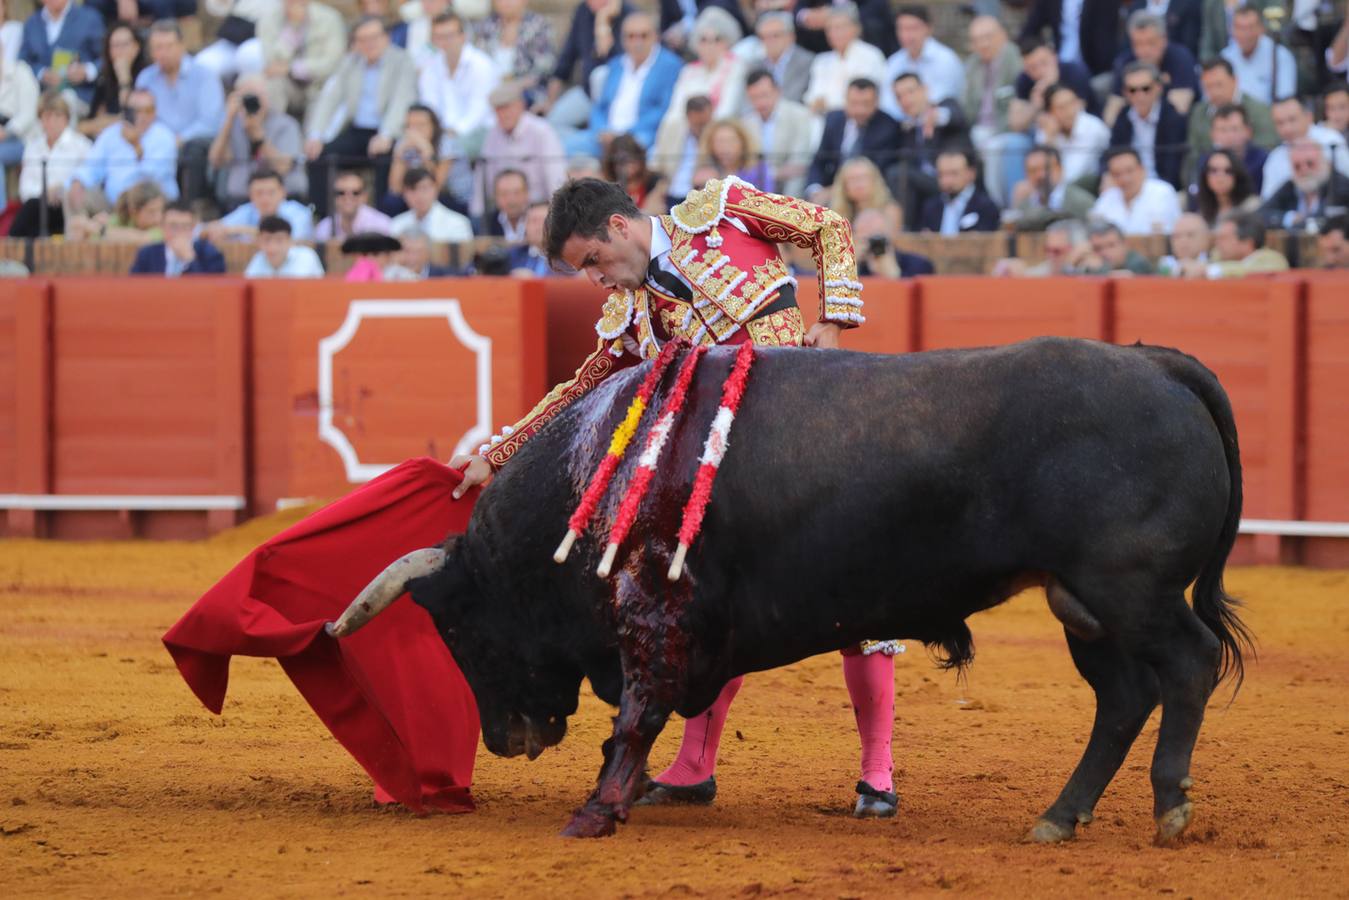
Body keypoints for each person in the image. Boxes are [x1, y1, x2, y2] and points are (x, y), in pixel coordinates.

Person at [450, 176, 901, 819]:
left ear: (619, 228)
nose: (595, 281)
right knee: (708, 612)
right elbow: (580, 390)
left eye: (593, 262)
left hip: (809, 445)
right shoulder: (627, 315)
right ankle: (694, 766)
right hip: (728, 484)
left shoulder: (722, 212)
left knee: (859, 601)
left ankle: (877, 774)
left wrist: (830, 322)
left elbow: (827, 225)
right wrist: (494, 456)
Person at [304, 16, 418, 219]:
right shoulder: (350, 62)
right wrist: (315, 135)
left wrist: (386, 134)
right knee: (321, 158)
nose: (369, 44)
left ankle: (382, 220)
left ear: (387, 37)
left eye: (374, 37)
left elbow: (402, 101)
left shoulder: (402, 61)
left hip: (388, 131)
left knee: (386, 161)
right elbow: (330, 98)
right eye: (363, 39)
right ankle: (323, 217)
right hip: (357, 129)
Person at [134, 19, 224, 203]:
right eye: (158, 47)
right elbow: (139, 115)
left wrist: (179, 139)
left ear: (182, 45)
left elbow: (211, 123)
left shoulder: (204, 75)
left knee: (193, 150)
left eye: (169, 46)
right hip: (156, 143)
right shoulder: (145, 78)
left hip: (193, 143)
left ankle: (188, 206)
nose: (163, 53)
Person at [66, 87, 177, 217]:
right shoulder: (112, 134)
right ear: (127, 112)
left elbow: (152, 179)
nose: (143, 116)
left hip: (151, 204)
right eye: (137, 111)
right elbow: (91, 167)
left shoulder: (164, 137)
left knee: (144, 197)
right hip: (113, 203)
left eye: (149, 110)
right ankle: (77, 236)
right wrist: (78, 181)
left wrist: (136, 146)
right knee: (74, 192)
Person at [208, 73, 306, 212]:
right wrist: (228, 119)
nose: (253, 103)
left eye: (258, 96)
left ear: (267, 97)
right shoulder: (233, 124)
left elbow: (283, 167)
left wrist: (258, 137)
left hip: (283, 201)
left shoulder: (286, 124)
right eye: (248, 97)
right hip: (240, 200)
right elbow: (216, 161)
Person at [473, 81, 566, 220]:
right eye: (498, 109)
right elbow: (483, 178)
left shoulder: (542, 132)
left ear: (520, 105)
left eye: (507, 107)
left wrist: (558, 214)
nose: (503, 114)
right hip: (504, 211)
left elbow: (555, 178)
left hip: (539, 208)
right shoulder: (492, 135)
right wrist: (477, 213)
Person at [417, 11, 499, 168]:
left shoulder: (481, 65)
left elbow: (478, 112)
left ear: (463, 36)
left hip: (479, 132)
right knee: (408, 147)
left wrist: (449, 134)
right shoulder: (431, 67)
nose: (444, 42)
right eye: (439, 37)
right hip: (442, 132)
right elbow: (429, 106)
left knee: (449, 149)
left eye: (449, 36)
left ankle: (449, 190)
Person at [540, 0, 632, 134]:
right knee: (551, 125)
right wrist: (550, 100)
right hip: (588, 93)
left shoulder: (630, 15)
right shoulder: (583, 11)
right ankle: (584, 144)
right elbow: (567, 58)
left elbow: (616, 62)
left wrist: (603, 24)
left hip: (619, 98)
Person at [891, 72, 968, 229]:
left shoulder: (946, 105)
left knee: (899, 173)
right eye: (899, 96)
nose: (906, 100)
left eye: (910, 92)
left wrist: (935, 116)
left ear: (925, 90)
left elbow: (954, 116)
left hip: (952, 180)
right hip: (925, 190)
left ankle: (905, 229)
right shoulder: (907, 129)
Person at [804, 77, 899, 201]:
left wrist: (834, 191)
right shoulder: (833, 120)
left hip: (867, 191)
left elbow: (878, 170)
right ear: (845, 100)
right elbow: (819, 160)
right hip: (830, 189)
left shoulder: (887, 126)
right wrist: (815, 190)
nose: (859, 110)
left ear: (876, 102)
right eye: (854, 103)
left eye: (866, 104)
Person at [961, 16, 1024, 205]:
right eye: (977, 40)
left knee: (993, 148)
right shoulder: (972, 64)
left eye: (987, 37)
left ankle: (996, 205)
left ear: (1002, 35)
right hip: (978, 129)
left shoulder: (1015, 59)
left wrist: (992, 134)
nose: (983, 44)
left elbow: (1017, 105)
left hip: (1006, 129)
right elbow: (966, 107)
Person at [11, 90, 88, 236]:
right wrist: (45, 194)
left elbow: (86, 181)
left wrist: (60, 190)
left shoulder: (81, 146)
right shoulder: (33, 147)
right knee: (32, 210)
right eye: (47, 117)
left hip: (65, 208)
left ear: (66, 118)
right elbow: (25, 188)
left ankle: (8, 247)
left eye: (57, 116)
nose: (51, 122)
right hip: (36, 207)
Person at [256, 0, 346, 120]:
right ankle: (274, 132)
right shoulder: (269, 19)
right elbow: (272, 64)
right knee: (269, 83)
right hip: (288, 85)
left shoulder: (330, 18)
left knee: (330, 89)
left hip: (319, 84)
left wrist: (292, 68)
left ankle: (312, 135)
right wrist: (293, 28)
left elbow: (333, 63)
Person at [1109, 61, 1189, 189]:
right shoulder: (1123, 117)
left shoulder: (1172, 118)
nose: (1139, 95)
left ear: (1158, 87)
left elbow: (1173, 168)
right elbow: (1113, 154)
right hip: (1125, 184)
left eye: (1146, 88)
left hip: (1161, 185)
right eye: (1132, 90)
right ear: (1125, 93)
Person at [661, 6, 747, 125]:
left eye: (717, 39)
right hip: (687, 132)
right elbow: (675, 111)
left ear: (727, 42)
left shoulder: (736, 68)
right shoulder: (688, 71)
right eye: (703, 40)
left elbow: (727, 111)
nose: (709, 46)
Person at [1108, 10, 1199, 118]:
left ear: (1164, 39)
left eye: (1151, 43)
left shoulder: (1180, 58)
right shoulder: (1124, 62)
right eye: (1138, 44)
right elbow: (1112, 112)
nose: (1145, 50)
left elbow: (1180, 108)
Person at [803, 2, 887, 115]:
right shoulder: (821, 60)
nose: (835, 33)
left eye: (840, 27)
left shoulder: (870, 55)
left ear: (857, 29)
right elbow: (811, 96)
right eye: (830, 29)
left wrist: (826, 103)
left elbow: (862, 97)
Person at [1186, 58, 1277, 161]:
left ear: (1235, 80)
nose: (1215, 92)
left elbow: (1267, 150)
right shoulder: (1199, 113)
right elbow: (1192, 156)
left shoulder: (1259, 111)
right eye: (1208, 87)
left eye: (1219, 85)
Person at [19, 0, 105, 109]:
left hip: (79, 96)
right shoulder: (32, 23)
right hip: (39, 96)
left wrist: (87, 70)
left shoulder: (90, 18)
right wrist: (41, 73)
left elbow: (107, 57)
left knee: (63, 104)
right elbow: (22, 61)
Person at [882, 4, 963, 118]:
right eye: (901, 29)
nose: (906, 35)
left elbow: (943, 99)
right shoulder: (894, 61)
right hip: (901, 126)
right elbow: (886, 102)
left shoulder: (945, 60)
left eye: (913, 28)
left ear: (928, 28)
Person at [469, 0, 557, 104]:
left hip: (525, 93)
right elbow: (478, 62)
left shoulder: (539, 25)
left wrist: (514, 86)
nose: (506, 2)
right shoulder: (486, 25)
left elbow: (543, 68)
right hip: (489, 90)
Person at [1262, 96, 1349, 201]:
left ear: (1309, 117)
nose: (1287, 128)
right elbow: (1267, 203)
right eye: (1280, 123)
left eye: (1292, 119)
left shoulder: (1331, 142)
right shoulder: (1275, 159)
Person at [205, 168, 314, 242]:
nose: (265, 199)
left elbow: (288, 240)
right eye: (259, 193)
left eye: (271, 192)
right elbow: (204, 230)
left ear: (283, 193)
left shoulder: (299, 213)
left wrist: (236, 230)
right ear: (250, 195)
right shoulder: (247, 210)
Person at [1090, 146, 1182, 234]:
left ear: (1142, 170)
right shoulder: (1107, 198)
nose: (1124, 179)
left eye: (1129, 171)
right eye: (1117, 174)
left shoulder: (1162, 192)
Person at [1259, 140, 1349, 229]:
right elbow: (1260, 215)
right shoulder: (1290, 186)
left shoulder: (1340, 185)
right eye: (1297, 167)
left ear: (1325, 163)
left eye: (1310, 164)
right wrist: (1290, 218)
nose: (1304, 170)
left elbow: (1323, 221)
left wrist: (1299, 223)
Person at [1018, 0, 1122, 76]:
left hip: (1095, 67)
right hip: (1057, 62)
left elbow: (1105, 37)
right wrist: (1045, 52)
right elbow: (1028, 32)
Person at [79, 20, 145, 140]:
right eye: (115, 46)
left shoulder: (146, 78)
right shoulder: (104, 80)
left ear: (136, 47)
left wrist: (124, 79)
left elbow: (132, 120)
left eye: (125, 45)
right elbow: (83, 126)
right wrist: (113, 121)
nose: (120, 51)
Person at [1035, 82, 1111, 184]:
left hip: (1089, 185)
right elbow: (1038, 172)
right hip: (1060, 186)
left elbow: (1072, 176)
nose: (1069, 111)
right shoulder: (1047, 129)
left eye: (1072, 104)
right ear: (1049, 113)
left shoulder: (1092, 128)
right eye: (1061, 107)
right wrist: (1050, 140)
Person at [385, 103, 453, 213]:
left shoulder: (446, 142)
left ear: (434, 126)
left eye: (421, 125)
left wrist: (426, 150)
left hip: (449, 195)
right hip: (417, 192)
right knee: (392, 201)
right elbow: (395, 188)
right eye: (410, 126)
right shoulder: (404, 143)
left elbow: (437, 186)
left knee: (434, 198)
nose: (415, 131)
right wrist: (399, 154)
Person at [1220, 6, 1296, 106]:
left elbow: (1285, 100)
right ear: (1231, 30)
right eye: (1239, 28)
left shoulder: (1280, 56)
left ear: (1261, 28)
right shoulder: (1225, 57)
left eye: (1250, 27)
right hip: (1233, 116)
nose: (1245, 34)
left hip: (1268, 117)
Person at [1008, 144, 1095, 229]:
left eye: (1045, 168)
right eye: (1033, 171)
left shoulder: (1081, 202)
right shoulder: (1023, 207)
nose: (1040, 175)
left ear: (1060, 169)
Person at [130, 199, 226, 275]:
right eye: (173, 226)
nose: (179, 232)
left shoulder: (210, 253)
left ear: (193, 228)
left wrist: (189, 260)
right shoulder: (147, 254)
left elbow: (210, 291)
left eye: (185, 226)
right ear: (162, 227)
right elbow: (134, 288)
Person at [1182, 208, 1288, 276]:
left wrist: (1208, 270)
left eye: (1223, 238)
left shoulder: (1273, 259)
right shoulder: (1217, 256)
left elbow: (1252, 272)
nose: (1217, 243)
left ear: (1247, 243)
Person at [651, 94, 714, 204]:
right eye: (698, 124)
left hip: (700, 194)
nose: (702, 129)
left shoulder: (715, 134)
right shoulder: (672, 129)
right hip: (670, 190)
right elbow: (659, 161)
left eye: (705, 124)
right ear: (688, 117)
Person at [919, 147, 1000, 233]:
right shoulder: (930, 207)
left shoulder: (986, 207)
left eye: (953, 174)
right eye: (941, 174)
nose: (947, 181)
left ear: (971, 174)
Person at [744, 10, 814, 105]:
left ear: (791, 36)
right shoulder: (755, 66)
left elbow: (796, 97)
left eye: (775, 36)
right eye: (764, 37)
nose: (770, 41)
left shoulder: (806, 62)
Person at [65, 176, 165, 242]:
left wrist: (100, 230)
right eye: (151, 212)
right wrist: (87, 228)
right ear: (134, 211)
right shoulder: (117, 220)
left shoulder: (163, 227)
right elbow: (77, 228)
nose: (158, 217)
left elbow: (143, 238)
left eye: (160, 210)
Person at [390, 165, 473, 241]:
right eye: (413, 190)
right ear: (404, 193)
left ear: (436, 189)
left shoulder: (458, 223)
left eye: (424, 188)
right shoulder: (397, 224)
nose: (419, 195)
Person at [830, 156, 903, 237]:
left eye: (863, 178)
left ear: (875, 181)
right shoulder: (837, 214)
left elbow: (892, 243)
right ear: (843, 186)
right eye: (852, 179)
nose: (858, 184)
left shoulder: (890, 210)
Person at [852, 206, 932, 277]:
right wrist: (852, 266)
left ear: (890, 237)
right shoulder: (851, 268)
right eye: (863, 240)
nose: (871, 246)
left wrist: (895, 274)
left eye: (877, 239)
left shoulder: (918, 265)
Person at [0, 52, 38, 204]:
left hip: (23, 140)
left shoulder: (21, 71)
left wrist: (5, 131)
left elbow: (29, 114)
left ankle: (1, 218)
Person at [314, 168, 393, 241]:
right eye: (341, 193)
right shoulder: (323, 228)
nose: (348, 197)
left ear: (365, 196)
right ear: (334, 197)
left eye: (355, 193)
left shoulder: (382, 225)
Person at [602, 132, 668, 215]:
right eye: (620, 162)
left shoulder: (656, 181)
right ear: (612, 165)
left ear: (640, 159)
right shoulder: (609, 187)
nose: (627, 166)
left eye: (631, 160)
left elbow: (657, 211)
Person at [697, 117, 772, 189]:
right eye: (719, 141)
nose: (725, 147)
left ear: (743, 142)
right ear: (710, 145)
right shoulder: (705, 171)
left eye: (731, 141)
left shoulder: (759, 169)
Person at [1192, 147, 1258, 224]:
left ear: (1237, 175)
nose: (1220, 177)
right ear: (1205, 176)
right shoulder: (1201, 214)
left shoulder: (1252, 207)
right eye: (1213, 171)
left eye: (1228, 171)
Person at [244, 214, 325, 278]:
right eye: (267, 240)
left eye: (279, 240)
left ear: (290, 241)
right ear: (259, 242)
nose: (273, 247)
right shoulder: (258, 259)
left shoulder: (306, 257)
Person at [1126, 0, 1202, 58]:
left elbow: (1190, 43)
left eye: (1151, 42)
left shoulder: (1188, 4)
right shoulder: (1136, 5)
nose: (1145, 50)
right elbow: (1127, 43)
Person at [1082, 219, 1156, 274]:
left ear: (1124, 245)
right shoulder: (1091, 263)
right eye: (1098, 248)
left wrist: (1100, 269)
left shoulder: (1137, 263)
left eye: (1111, 245)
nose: (1105, 252)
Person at [507, 199, 551, 276]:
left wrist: (533, 281)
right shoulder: (512, 256)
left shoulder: (569, 259)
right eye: (534, 221)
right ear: (525, 225)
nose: (539, 227)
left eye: (545, 221)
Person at [484, 167, 528, 239]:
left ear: (527, 193)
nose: (511, 200)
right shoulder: (486, 223)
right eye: (504, 194)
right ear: (495, 196)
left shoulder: (542, 221)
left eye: (517, 193)